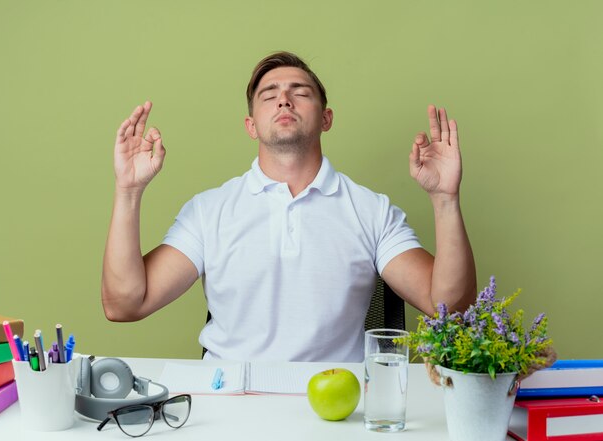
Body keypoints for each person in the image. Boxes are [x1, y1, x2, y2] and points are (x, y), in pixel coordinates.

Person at [101, 51, 476, 362]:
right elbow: (125, 304)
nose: (284, 99)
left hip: (338, 409)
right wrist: (128, 191)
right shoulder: (208, 211)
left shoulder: (372, 211)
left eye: (300, 92)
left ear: (326, 118)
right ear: (251, 126)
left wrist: (445, 200)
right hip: (229, 405)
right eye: (269, 95)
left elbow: (451, 307)